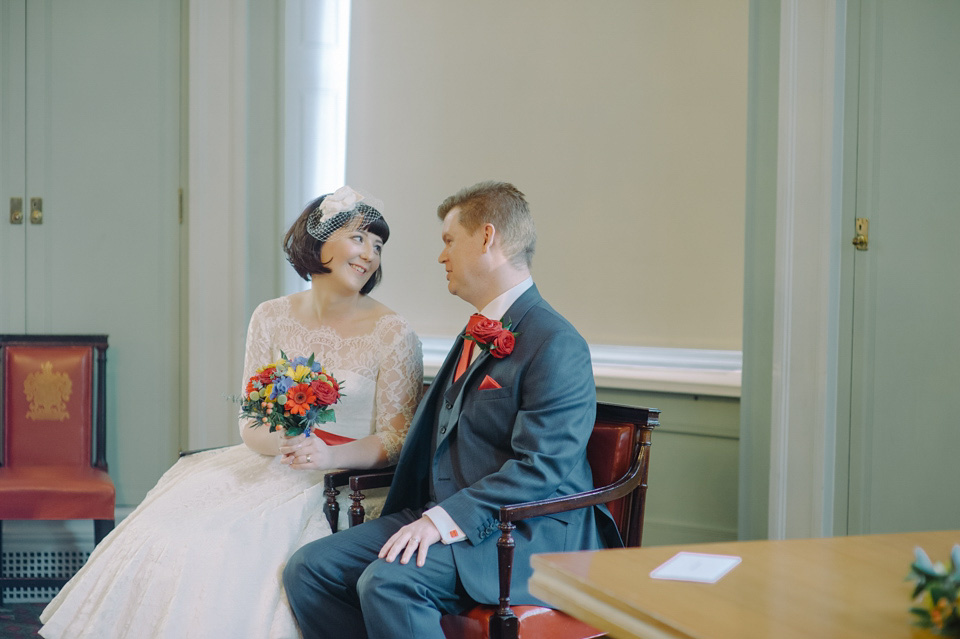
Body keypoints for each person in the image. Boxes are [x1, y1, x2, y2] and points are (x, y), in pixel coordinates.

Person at [38, 187, 423, 639]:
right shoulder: (270, 316)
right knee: (162, 531)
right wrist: (285, 442)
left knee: (225, 543)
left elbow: (399, 441)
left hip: (342, 479)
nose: (370, 255)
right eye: (360, 239)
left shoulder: (393, 332)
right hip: (272, 462)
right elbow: (251, 420)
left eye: (378, 247)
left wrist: (329, 457)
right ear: (319, 239)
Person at [283, 181, 621, 639]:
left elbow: (543, 467)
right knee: (310, 567)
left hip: (522, 532)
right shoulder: (474, 332)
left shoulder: (556, 342)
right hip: (443, 514)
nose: (441, 257)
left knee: (388, 583)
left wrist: (444, 520)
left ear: (486, 238)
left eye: (448, 241)